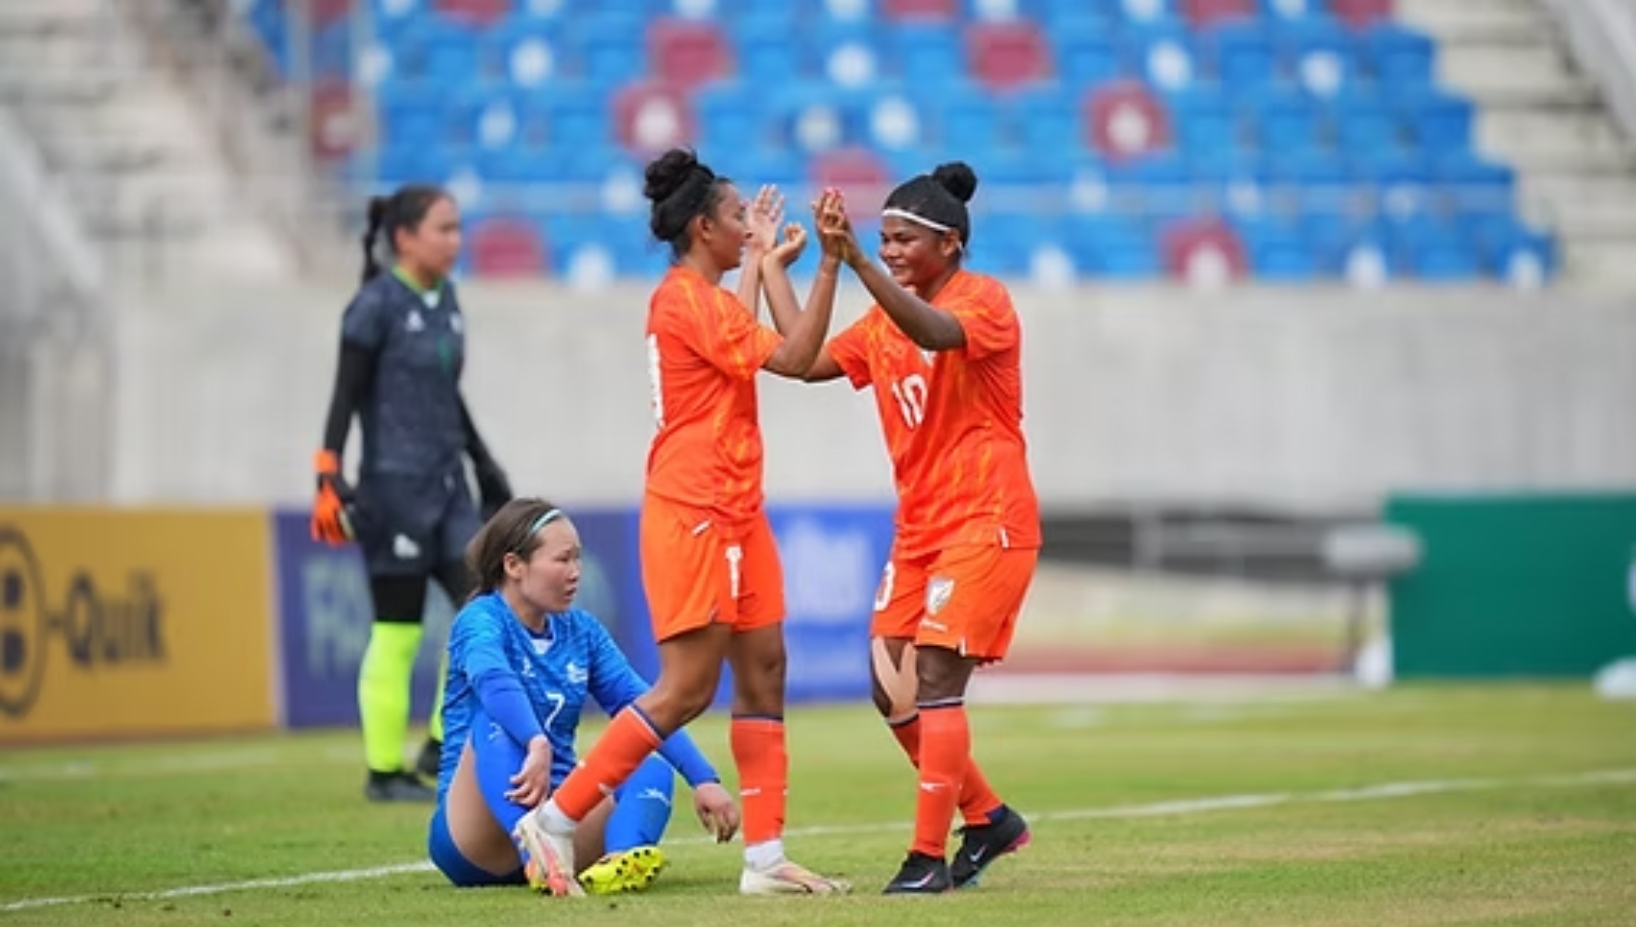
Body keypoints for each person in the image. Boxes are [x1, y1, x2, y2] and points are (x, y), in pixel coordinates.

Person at [511, 148, 849, 896]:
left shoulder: (709, 299)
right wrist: (826, 265)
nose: (748, 227)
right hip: (693, 509)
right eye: (737, 219)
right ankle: (557, 819)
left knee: (765, 670)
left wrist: (762, 261)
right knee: (688, 686)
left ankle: (765, 860)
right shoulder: (681, 300)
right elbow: (794, 358)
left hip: (738, 507)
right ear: (703, 227)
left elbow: (746, 349)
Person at [804, 164, 1040, 894]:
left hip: (986, 517)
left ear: (952, 244)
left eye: (905, 239)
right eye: (885, 239)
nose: (894, 250)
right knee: (889, 689)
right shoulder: (880, 317)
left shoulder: (984, 301)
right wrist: (806, 265)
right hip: (920, 529)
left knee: (936, 674)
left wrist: (860, 263)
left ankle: (926, 858)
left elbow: (937, 335)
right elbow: (804, 360)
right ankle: (990, 816)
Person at [310, 185, 513, 803]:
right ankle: (383, 772)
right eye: (443, 229)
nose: (456, 240)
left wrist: (484, 464)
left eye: (457, 228)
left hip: (449, 490)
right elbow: (343, 396)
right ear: (405, 238)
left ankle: (437, 743)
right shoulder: (372, 307)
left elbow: (449, 394)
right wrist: (327, 471)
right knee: (397, 631)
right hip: (391, 493)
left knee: (481, 609)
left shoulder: (448, 299)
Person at [428, 498, 738, 896]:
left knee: (646, 759)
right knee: (494, 719)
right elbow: (493, 681)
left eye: (579, 559)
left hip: (558, 814)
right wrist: (535, 740)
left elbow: (645, 706)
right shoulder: (481, 618)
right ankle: (535, 849)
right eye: (563, 560)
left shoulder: (581, 631)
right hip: (473, 835)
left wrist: (703, 779)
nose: (576, 573)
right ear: (513, 565)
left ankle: (620, 862)